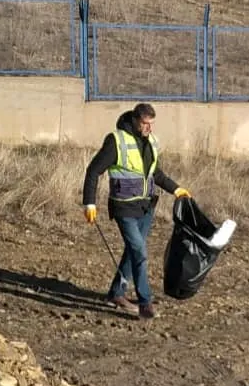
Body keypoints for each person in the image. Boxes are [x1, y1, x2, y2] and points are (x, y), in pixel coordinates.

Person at [82, 102, 191, 319]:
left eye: (151, 124)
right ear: (135, 120)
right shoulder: (116, 141)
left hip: (146, 207)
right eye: (145, 123)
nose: (149, 128)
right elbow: (94, 170)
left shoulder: (151, 142)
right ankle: (145, 302)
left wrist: (176, 189)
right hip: (124, 208)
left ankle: (117, 293)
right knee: (139, 253)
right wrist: (89, 203)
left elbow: (155, 173)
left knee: (133, 253)